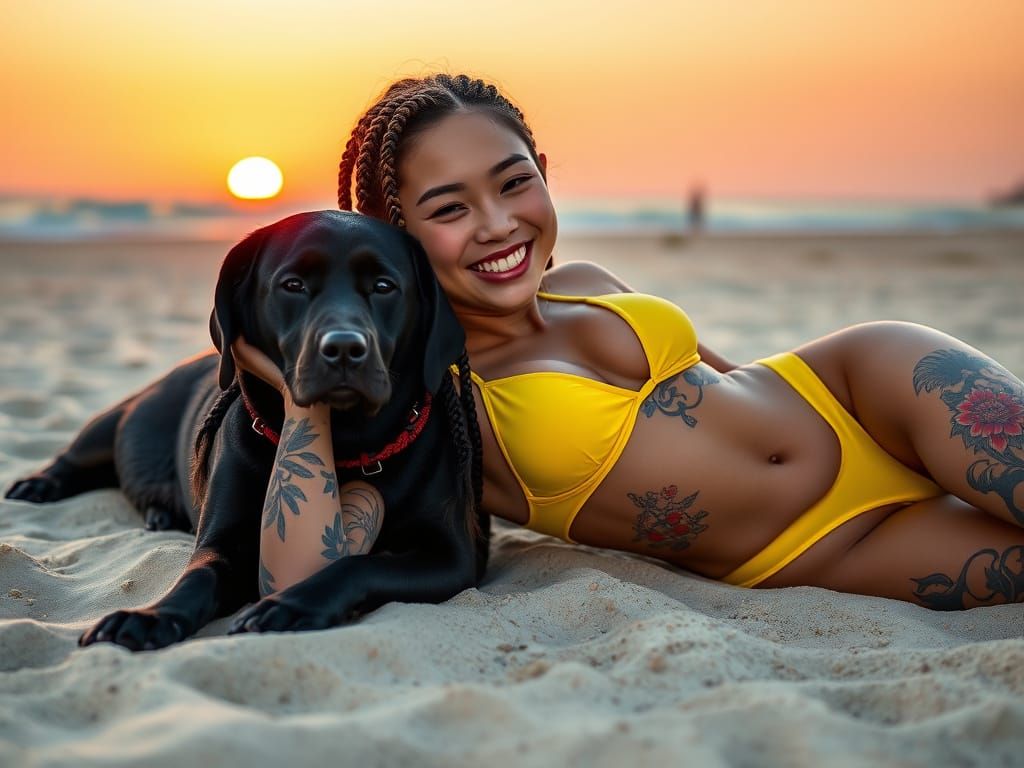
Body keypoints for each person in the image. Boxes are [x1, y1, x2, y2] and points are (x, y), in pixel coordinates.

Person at [234, 73, 1024, 611]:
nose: (500, 224)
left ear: (542, 172)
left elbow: (738, 379)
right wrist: (300, 405)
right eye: (451, 209)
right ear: (395, 238)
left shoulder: (586, 275)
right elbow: (297, 579)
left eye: (514, 182)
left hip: (869, 386)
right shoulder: (440, 396)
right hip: (817, 552)